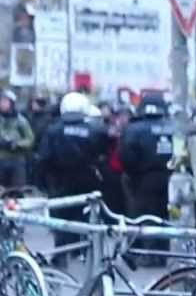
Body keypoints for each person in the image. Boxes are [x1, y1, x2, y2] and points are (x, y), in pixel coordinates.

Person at [36, 92, 110, 258]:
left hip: (58, 181)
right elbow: (103, 155)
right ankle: (81, 250)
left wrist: (42, 182)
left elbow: (43, 158)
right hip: (87, 180)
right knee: (83, 216)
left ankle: (61, 252)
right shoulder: (95, 130)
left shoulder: (53, 130)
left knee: (61, 218)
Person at [119, 93, 175, 261]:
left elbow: (126, 156)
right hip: (168, 178)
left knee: (139, 216)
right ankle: (161, 254)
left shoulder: (133, 129)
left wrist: (133, 173)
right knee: (163, 217)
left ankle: (140, 253)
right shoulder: (173, 127)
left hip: (141, 179)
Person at [0, 89, 35, 190]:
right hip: (1, 160)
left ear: (11, 103)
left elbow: (30, 139)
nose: (2, 104)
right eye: (1, 101)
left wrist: (16, 143)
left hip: (17, 161)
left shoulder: (21, 121)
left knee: (17, 190)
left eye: (5, 101)